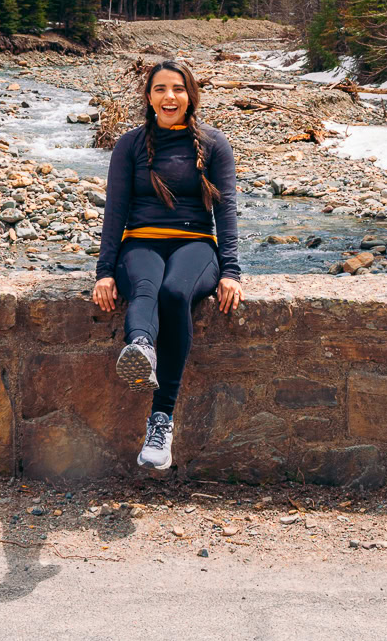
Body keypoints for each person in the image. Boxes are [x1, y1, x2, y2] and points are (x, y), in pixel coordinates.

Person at [91, 59, 243, 471]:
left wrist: (231, 272)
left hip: (196, 243)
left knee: (175, 292)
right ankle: (140, 349)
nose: (169, 96)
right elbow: (115, 211)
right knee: (144, 286)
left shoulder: (214, 144)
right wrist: (105, 271)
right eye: (160, 89)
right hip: (140, 242)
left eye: (177, 89)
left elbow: (226, 211)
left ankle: (162, 420)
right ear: (148, 96)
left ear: (190, 95)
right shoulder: (130, 145)